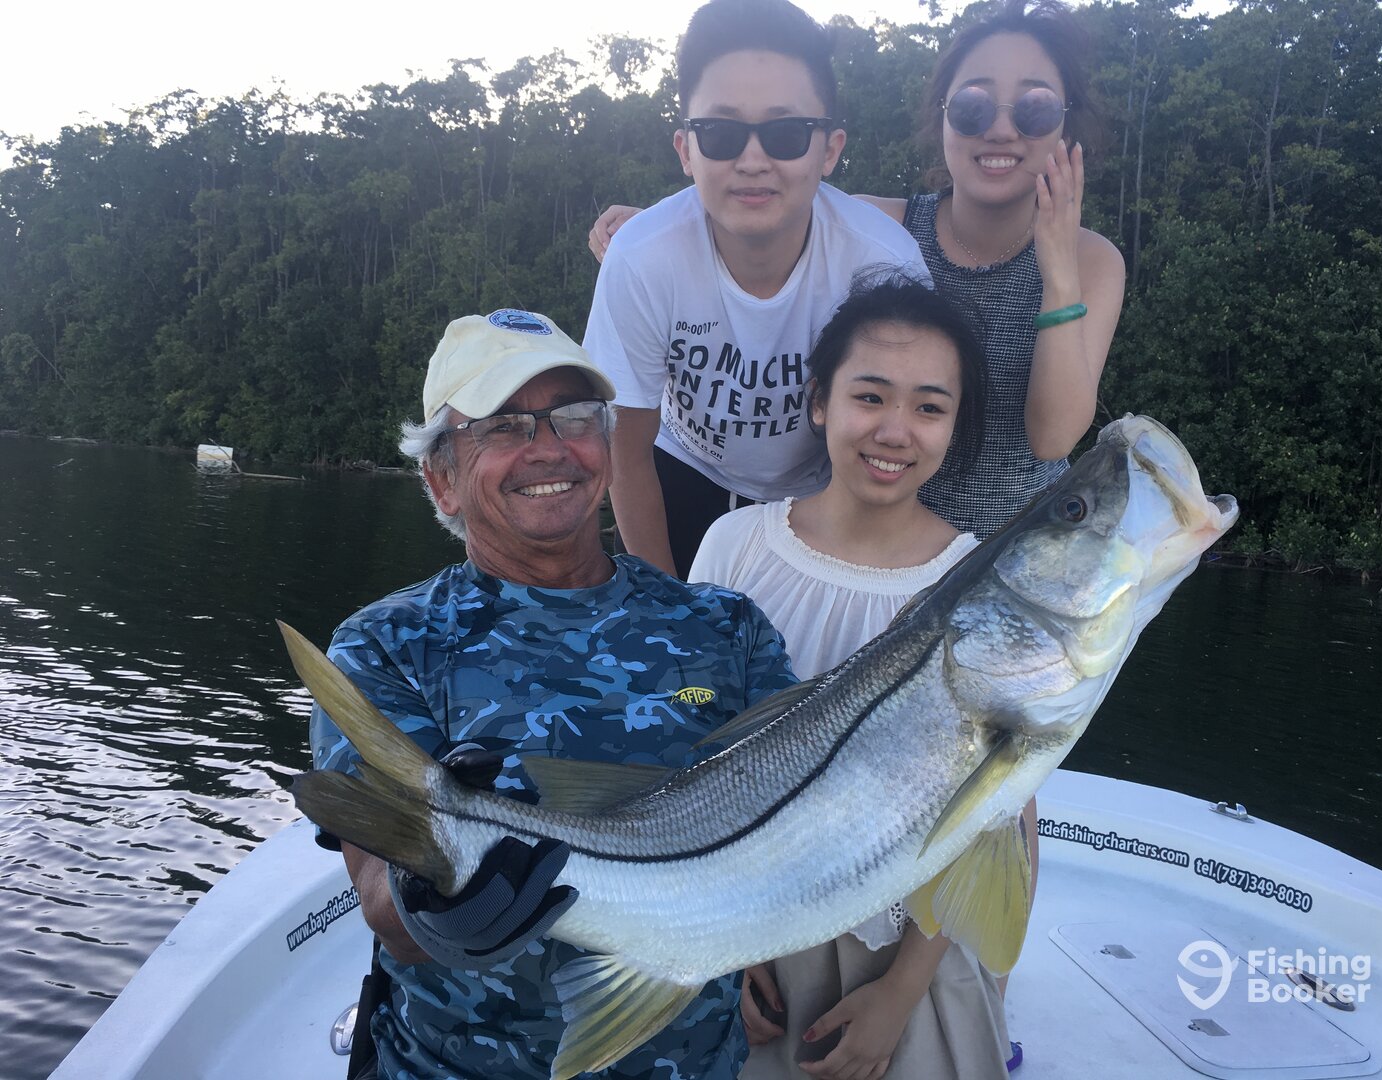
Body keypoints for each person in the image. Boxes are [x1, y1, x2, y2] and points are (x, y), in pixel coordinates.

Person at [309, 308, 798, 1079]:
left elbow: (794, 822)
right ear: (441, 479)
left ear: (605, 447)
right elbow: (380, 897)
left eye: (573, 416)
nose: (548, 447)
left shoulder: (726, 626)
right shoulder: (384, 647)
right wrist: (433, 900)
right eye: (503, 426)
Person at [589, 0, 1125, 543]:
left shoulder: (1084, 261)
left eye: (1033, 108)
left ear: (1064, 122)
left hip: (999, 540)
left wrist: (1057, 265)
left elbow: (1053, 438)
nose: (1001, 129)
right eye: (972, 107)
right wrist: (650, 237)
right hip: (835, 505)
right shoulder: (889, 229)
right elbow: (772, 200)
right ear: (943, 115)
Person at [689, 274, 1033, 1079]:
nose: (895, 431)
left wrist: (902, 994)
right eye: (870, 396)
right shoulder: (733, 546)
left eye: (929, 407)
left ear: (954, 427)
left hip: (913, 947)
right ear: (819, 401)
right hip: (748, 935)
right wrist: (729, 951)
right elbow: (697, 764)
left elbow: (996, 813)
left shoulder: (974, 582)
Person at [581, 0, 929, 579]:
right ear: (686, 150)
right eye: (720, 133)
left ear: (831, 150)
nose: (752, 160)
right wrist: (666, 609)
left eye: (787, 133)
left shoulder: (882, 263)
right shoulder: (642, 258)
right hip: (685, 471)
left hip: (825, 486)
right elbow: (626, 449)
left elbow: (900, 432)